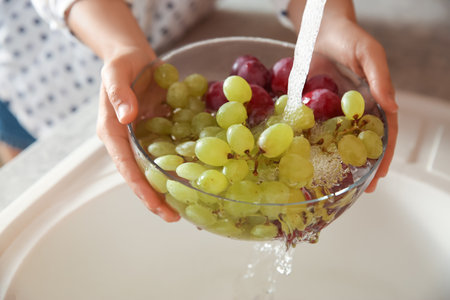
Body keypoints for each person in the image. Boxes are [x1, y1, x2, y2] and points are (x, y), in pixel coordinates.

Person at [4, 0, 398, 222]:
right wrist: (120, 45)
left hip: (184, 21)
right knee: (31, 163)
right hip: (49, 64)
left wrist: (328, 20)